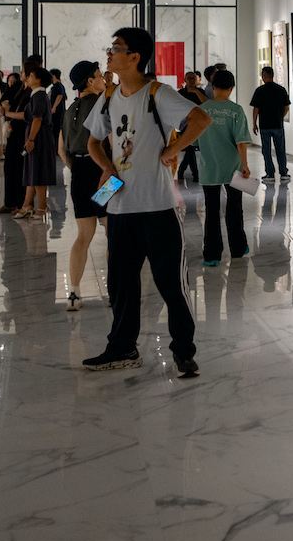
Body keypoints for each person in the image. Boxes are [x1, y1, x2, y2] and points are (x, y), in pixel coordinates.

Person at [83, 27, 211, 378]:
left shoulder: (158, 93)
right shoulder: (109, 97)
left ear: (134, 56)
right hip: (120, 209)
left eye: (116, 48)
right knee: (121, 284)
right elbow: (93, 141)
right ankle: (122, 348)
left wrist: (174, 148)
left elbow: (201, 118)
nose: (109, 54)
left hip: (157, 207)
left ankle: (183, 351)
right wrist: (107, 167)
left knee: (172, 284)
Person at [59, 61, 107, 312]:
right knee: (113, 231)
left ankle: (74, 293)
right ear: (90, 81)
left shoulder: (69, 110)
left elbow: (61, 150)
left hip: (79, 174)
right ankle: (116, 290)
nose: (103, 79)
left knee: (83, 236)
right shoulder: (101, 104)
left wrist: (77, 169)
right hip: (103, 173)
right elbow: (111, 140)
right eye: (99, 76)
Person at [196, 69, 252, 266]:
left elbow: (194, 139)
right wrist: (245, 165)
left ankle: (211, 254)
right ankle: (238, 247)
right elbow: (241, 141)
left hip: (209, 167)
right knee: (234, 207)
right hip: (233, 167)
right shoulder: (236, 110)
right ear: (231, 88)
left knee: (211, 210)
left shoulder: (202, 110)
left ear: (213, 86)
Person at [16, 67, 56, 220]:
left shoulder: (39, 95)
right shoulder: (36, 95)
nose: (28, 77)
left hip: (39, 138)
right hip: (37, 136)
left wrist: (31, 139)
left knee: (38, 171)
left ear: (38, 79)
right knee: (33, 170)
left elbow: (37, 119)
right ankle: (27, 205)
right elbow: (28, 116)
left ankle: (41, 206)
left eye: (31, 75)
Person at [249, 66, 291, 184]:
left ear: (263, 76)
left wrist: (254, 123)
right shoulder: (281, 90)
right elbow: (286, 107)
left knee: (266, 150)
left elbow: (256, 109)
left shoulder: (260, 91)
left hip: (265, 125)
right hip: (278, 125)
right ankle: (283, 172)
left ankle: (270, 173)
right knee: (280, 149)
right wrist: (280, 116)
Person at [0, 75, 28, 214]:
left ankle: (23, 204)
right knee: (10, 166)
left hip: (24, 135)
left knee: (21, 168)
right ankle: (10, 202)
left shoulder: (33, 92)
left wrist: (8, 113)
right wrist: (3, 109)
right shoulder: (18, 87)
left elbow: (29, 115)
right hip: (14, 133)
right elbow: (3, 99)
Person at [176, 71, 207, 184]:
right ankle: (195, 174)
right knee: (189, 148)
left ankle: (181, 169)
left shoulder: (201, 92)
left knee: (190, 147)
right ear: (185, 80)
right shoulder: (180, 93)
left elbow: (206, 104)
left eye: (194, 78)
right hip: (184, 123)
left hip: (197, 123)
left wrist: (196, 92)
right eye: (189, 78)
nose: (191, 80)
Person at [48, 68, 67, 137]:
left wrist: (54, 107)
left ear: (53, 76)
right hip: (60, 113)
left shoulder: (57, 85)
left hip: (57, 113)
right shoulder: (60, 86)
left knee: (56, 131)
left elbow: (60, 96)